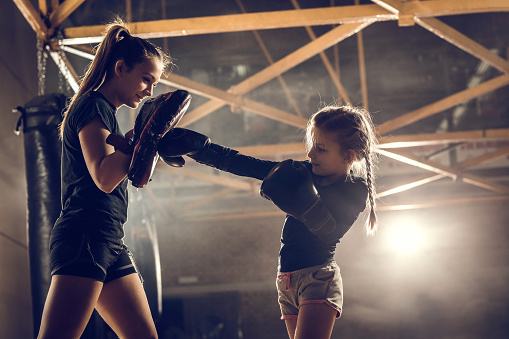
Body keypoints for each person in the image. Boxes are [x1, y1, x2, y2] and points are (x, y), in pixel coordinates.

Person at [156, 104, 378, 339]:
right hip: (286, 280)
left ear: (348, 156)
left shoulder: (354, 189)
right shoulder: (303, 171)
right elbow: (249, 165)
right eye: (311, 145)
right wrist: (202, 151)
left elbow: (330, 233)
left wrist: (304, 204)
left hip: (318, 279)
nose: (311, 153)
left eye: (321, 149)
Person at [37, 19, 181, 339]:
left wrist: (145, 145)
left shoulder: (107, 113)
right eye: (146, 79)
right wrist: (143, 139)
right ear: (120, 68)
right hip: (86, 235)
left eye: (154, 84)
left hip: (108, 239)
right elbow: (103, 176)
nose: (149, 91)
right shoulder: (93, 106)